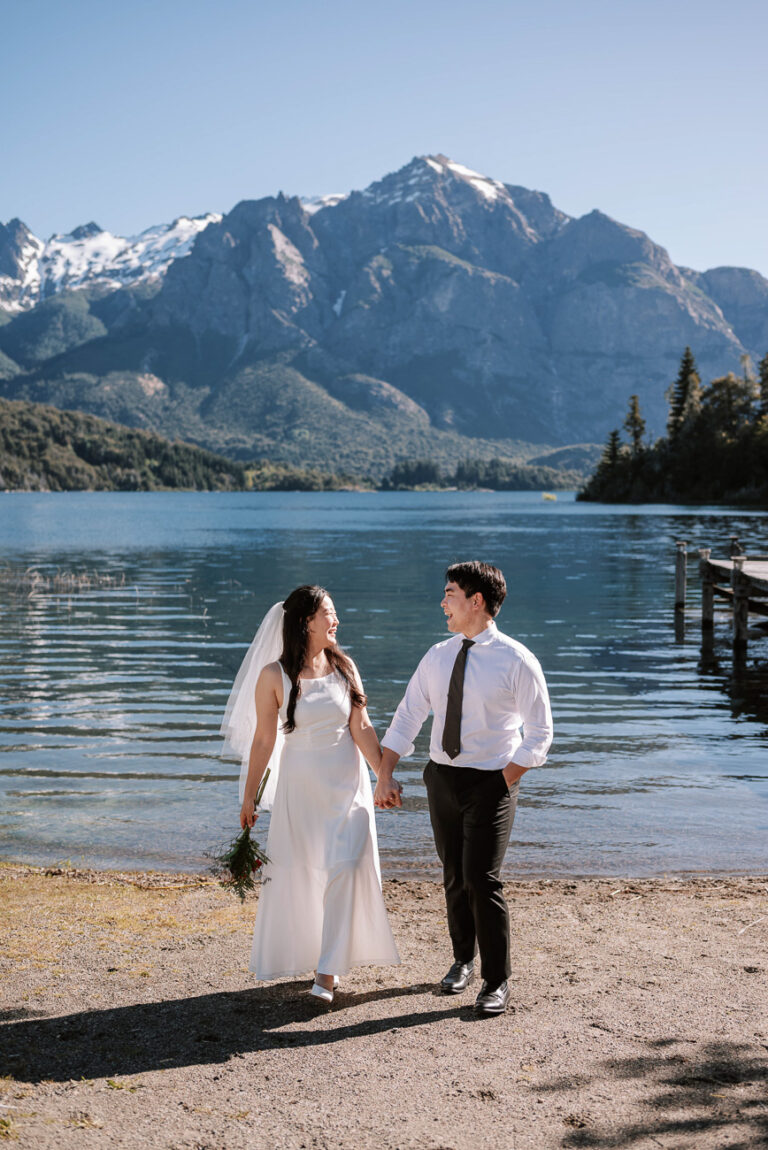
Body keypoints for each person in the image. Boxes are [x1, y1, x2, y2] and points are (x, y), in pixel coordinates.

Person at [374, 561, 552, 1017]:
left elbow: (540, 733)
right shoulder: (437, 655)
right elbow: (408, 716)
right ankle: (462, 960)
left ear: (476, 601)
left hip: (492, 781)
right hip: (443, 779)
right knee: (453, 874)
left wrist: (504, 780)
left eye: (450, 592)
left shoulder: (517, 660)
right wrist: (385, 771)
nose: (442, 601)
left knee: (481, 879)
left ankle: (497, 980)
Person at [222, 585, 399, 1003]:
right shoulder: (273, 676)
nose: (336, 620)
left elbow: (362, 727)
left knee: (347, 867)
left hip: (347, 790)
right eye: (329, 613)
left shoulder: (345, 667)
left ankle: (327, 973)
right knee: (306, 875)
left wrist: (383, 776)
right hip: (300, 790)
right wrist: (248, 797)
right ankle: (320, 956)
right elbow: (264, 740)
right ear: (306, 621)